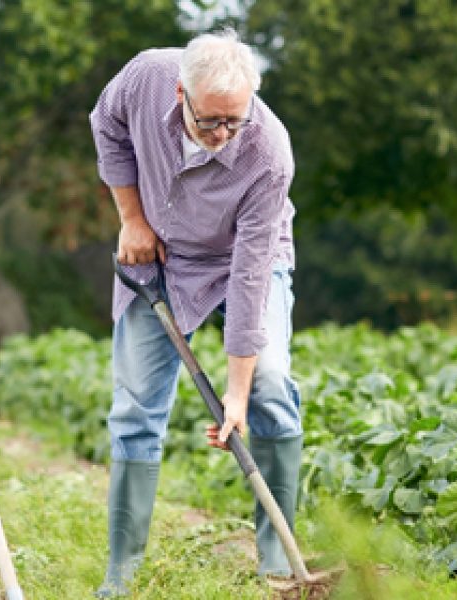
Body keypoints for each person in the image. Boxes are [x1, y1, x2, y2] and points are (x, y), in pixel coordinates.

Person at [89, 29, 301, 595]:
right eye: (210, 122)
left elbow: (252, 279)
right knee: (135, 406)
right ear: (180, 93)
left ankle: (277, 560)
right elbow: (105, 127)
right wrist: (132, 218)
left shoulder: (268, 153)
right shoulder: (145, 77)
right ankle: (122, 573)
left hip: (244, 254)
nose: (223, 135)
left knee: (271, 387)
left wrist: (236, 390)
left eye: (235, 120)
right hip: (162, 253)